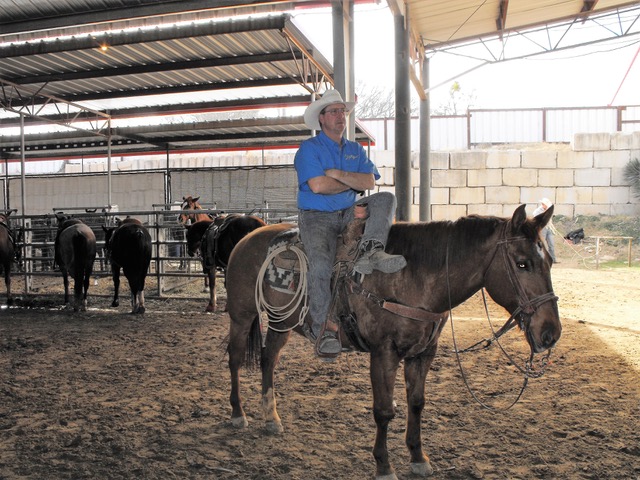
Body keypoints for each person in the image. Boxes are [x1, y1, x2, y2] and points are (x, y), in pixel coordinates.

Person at [294, 89, 407, 359]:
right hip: (316, 217)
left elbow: (369, 182)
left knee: (385, 198)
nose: (340, 116)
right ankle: (323, 329)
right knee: (320, 265)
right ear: (321, 119)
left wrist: (337, 174)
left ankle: (372, 248)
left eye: (342, 111)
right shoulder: (308, 149)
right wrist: (350, 181)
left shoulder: (355, 149)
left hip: (347, 211)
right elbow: (318, 186)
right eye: (333, 111)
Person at [533, 197, 557, 263]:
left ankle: (553, 259)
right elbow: (536, 218)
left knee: (551, 244)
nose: (544, 206)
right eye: (543, 204)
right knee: (541, 244)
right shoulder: (538, 211)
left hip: (549, 228)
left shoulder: (549, 210)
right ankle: (541, 259)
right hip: (542, 228)